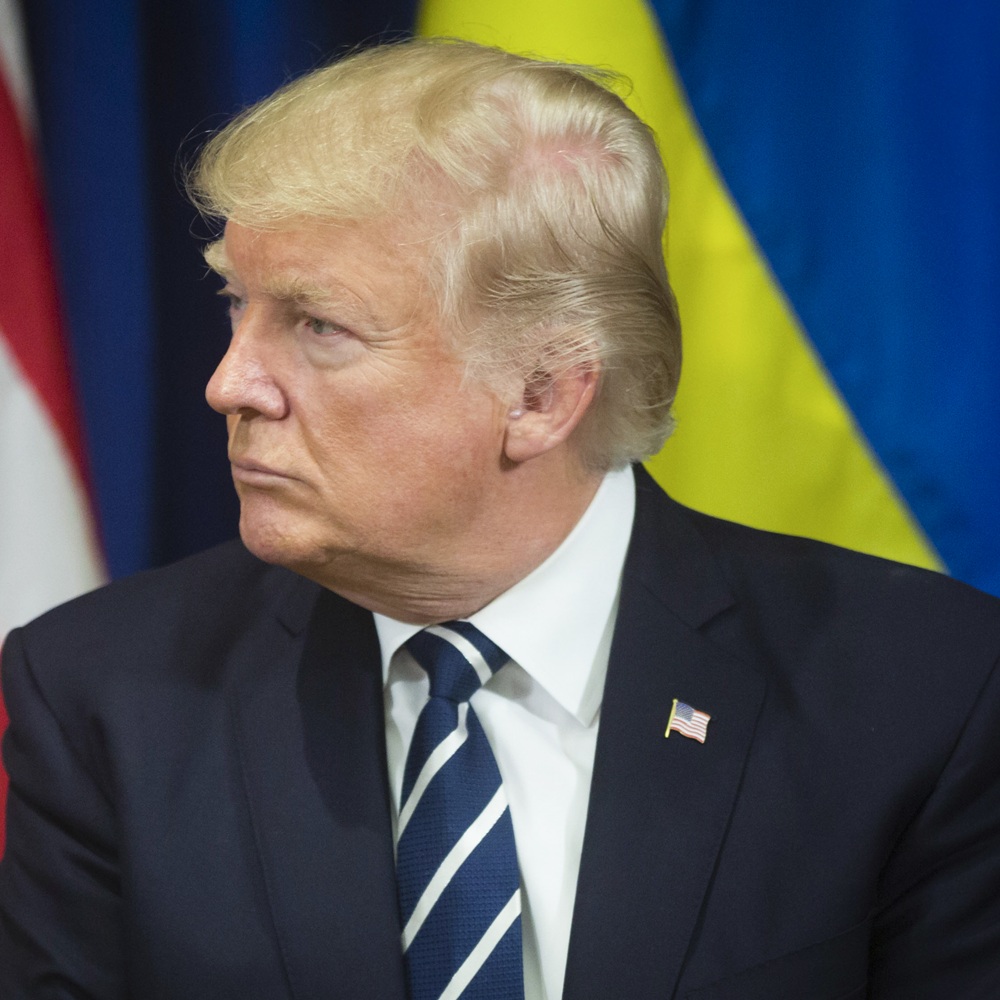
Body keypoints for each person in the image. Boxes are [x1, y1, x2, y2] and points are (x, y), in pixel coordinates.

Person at [1, 37, 999, 1000]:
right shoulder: (101, 695)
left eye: (319, 326)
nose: (229, 384)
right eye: (236, 304)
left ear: (539, 395)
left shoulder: (923, 693)